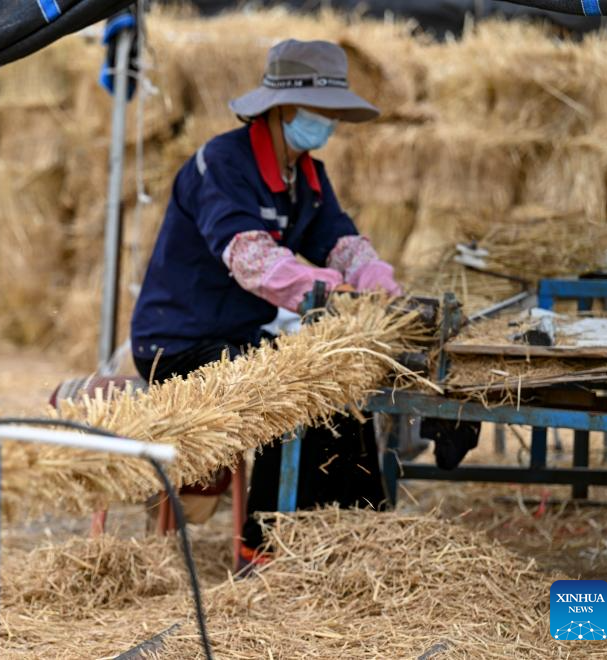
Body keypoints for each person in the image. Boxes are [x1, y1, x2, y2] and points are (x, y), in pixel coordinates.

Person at [129, 39, 402, 568]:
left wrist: (378, 283)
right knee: (292, 389)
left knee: (340, 385)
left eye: (332, 111)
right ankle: (270, 552)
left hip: (241, 338)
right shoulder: (222, 164)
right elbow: (250, 258)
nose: (327, 121)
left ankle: (352, 541)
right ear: (282, 107)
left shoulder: (308, 175)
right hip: (180, 344)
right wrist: (324, 290)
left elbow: (340, 241)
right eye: (320, 109)